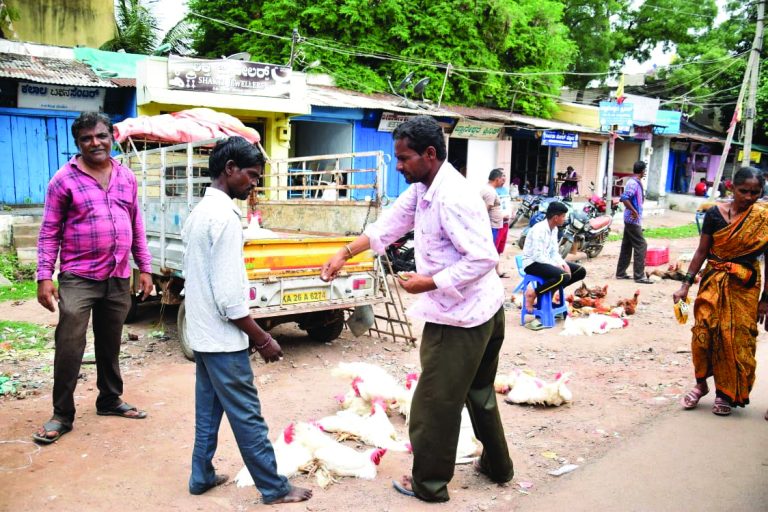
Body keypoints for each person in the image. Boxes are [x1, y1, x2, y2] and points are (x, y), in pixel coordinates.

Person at [320, 116, 513, 502]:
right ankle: (498, 466)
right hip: (485, 311)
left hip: (460, 319)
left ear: (429, 154)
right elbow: (387, 227)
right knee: (479, 394)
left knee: (432, 406)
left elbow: (483, 258)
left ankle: (429, 485)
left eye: (404, 158)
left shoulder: (452, 196)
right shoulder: (425, 186)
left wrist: (429, 282)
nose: (399, 165)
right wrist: (344, 252)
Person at [181, 137, 312, 504]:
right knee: (248, 416)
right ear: (230, 170)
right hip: (223, 339)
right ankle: (274, 487)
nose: (254, 184)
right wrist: (262, 339)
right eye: (251, 176)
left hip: (203, 335)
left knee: (208, 412)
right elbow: (229, 300)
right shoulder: (223, 217)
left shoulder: (200, 213)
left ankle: (200, 474)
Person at [33, 112, 153, 444]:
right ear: (78, 143)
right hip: (78, 276)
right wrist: (45, 277)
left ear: (111, 137)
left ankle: (110, 399)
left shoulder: (126, 177)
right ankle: (62, 414)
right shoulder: (63, 180)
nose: (95, 143)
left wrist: (145, 267)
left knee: (110, 341)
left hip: (118, 274)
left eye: (100, 136)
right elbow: (48, 232)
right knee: (70, 343)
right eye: (86, 138)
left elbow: (136, 224)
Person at [674, 167, 768, 417]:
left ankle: (725, 393)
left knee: (737, 340)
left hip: (745, 286)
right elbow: (701, 251)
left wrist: (765, 300)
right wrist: (685, 284)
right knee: (703, 332)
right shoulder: (714, 214)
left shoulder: (763, 218)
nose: (749, 197)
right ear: (732, 188)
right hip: (713, 280)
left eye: (755, 193)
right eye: (744, 191)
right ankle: (701, 383)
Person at [521, 201, 586, 317]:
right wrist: (555, 265)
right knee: (563, 276)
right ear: (556, 218)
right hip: (532, 263)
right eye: (563, 216)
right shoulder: (539, 229)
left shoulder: (554, 229)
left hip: (545, 261)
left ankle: (550, 290)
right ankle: (533, 294)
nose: (564, 219)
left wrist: (562, 263)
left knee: (580, 271)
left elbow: (553, 252)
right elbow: (537, 256)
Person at [615, 161, 654, 284]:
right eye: (645, 170)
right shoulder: (633, 183)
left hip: (631, 219)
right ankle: (639, 276)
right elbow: (624, 198)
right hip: (632, 219)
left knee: (627, 245)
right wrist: (634, 211)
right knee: (641, 245)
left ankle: (621, 273)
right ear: (642, 171)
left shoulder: (634, 182)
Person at [481, 168, 507, 276]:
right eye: (502, 178)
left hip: (495, 225)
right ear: (497, 179)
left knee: (494, 250)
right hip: (492, 226)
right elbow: (484, 211)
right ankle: (487, 274)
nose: (504, 181)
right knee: (490, 251)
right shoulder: (490, 192)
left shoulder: (489, 189)